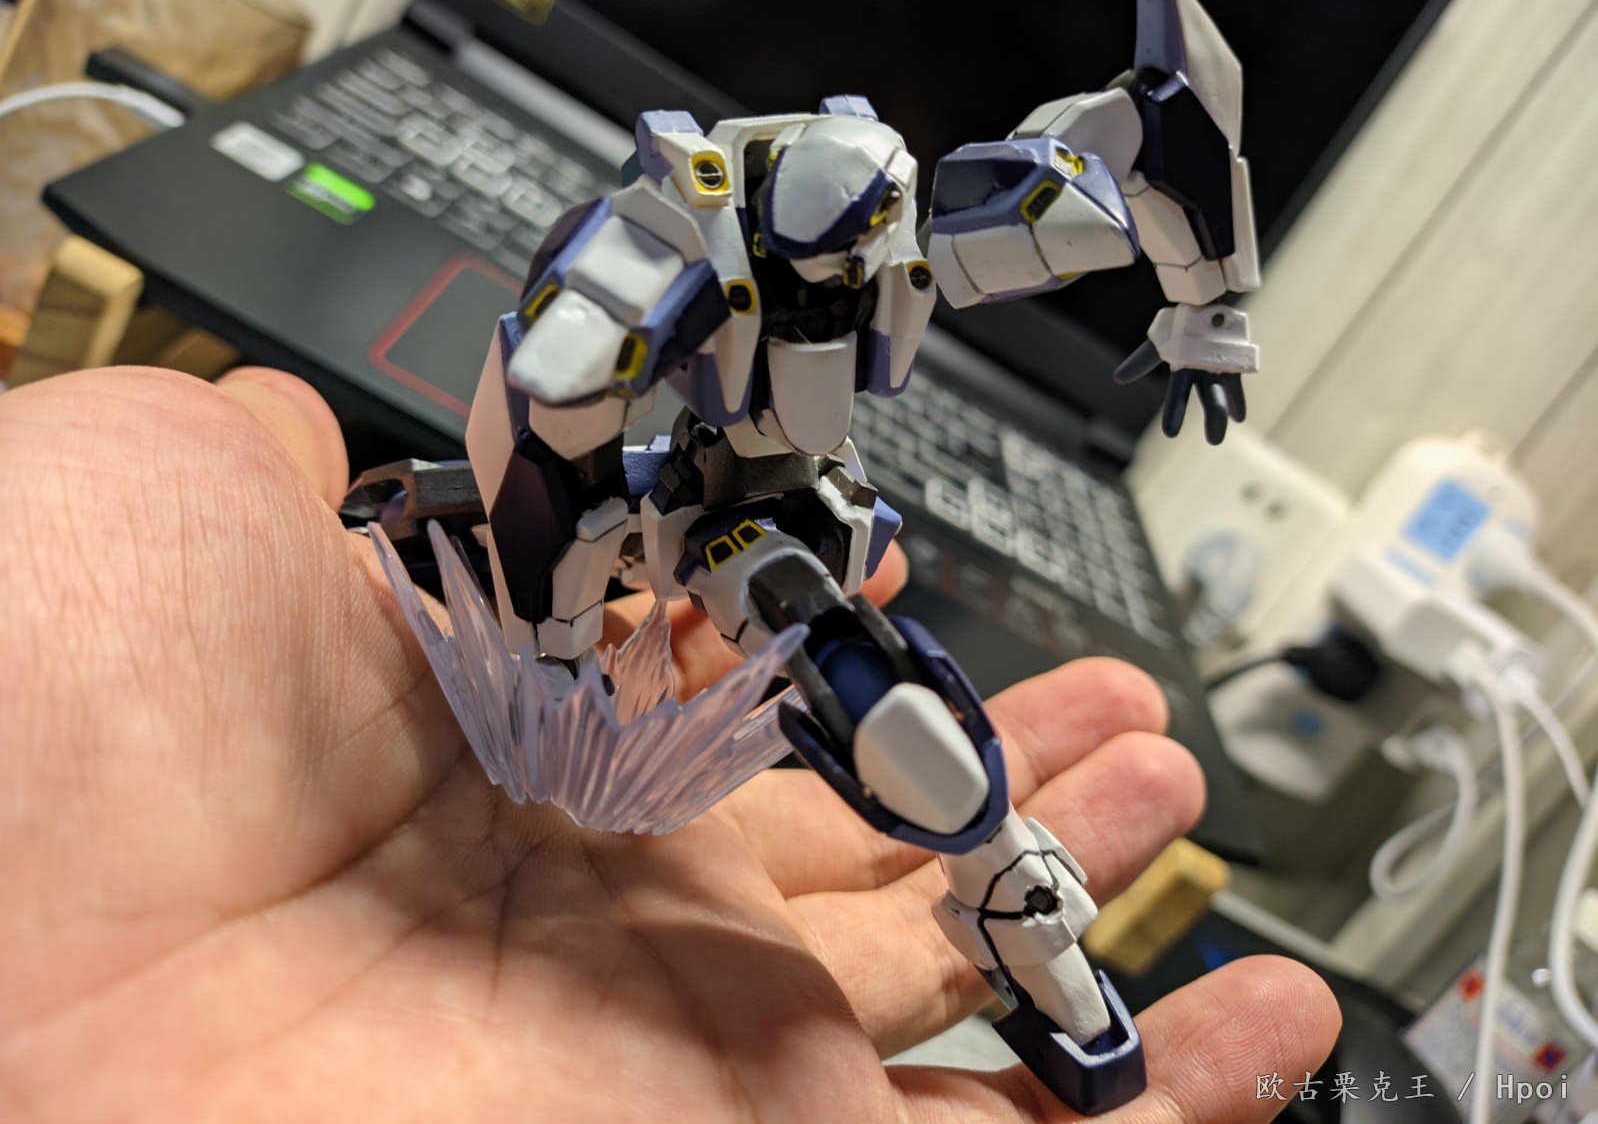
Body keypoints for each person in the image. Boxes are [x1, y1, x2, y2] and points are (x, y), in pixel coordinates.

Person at [0, 365, 1339, 1120]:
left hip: (769, 524)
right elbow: (555, 387)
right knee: (479, 530)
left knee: (911, 735)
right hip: (663, 518)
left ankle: (1029, 935)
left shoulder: (871, 261)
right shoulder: (684, 254)